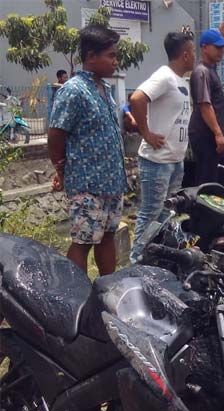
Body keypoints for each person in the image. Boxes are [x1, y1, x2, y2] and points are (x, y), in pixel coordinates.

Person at [47, 24, 126, 275]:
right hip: (87, 183)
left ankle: (107, 292)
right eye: (111, 55)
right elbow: (56, 133)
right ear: (91, 56)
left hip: (111, 182)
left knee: (107, 237)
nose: (116, 61)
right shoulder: (74, 91)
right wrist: (60, 168)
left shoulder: (105, 90)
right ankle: (75, 301)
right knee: (82, 242)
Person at [128, 31, 195, 263]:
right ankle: (136, 261)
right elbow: (137, 98)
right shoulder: (164, 76)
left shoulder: (180, 80)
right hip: (157, 162)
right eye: (193, 52)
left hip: (175, 161)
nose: (194, 56)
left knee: (167, 214)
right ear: (185, 54)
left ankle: (155, 257)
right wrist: (145, 132)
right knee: (150, 214)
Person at [187, 24, 224, 185]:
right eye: (217, 47)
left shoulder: (211, 69)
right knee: (208, 180)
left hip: (212, 134)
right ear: (205, 47)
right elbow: (205, 105)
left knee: (223, 174)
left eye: (223, 47)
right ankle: (202, 210)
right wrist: (218, 134)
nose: (221, 51)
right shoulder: (202, 72)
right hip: (205, 134)